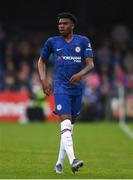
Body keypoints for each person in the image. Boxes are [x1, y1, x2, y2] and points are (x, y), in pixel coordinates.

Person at [38, 12, 94, 174]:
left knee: (69, 128)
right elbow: (41, 61)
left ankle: (58, 164)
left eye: (65, 23)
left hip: (77, 89)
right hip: (61, 87)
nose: (61, 26)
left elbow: (90, 64)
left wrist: (80, 74)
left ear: (72, 26)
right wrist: (43, 79)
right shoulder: (52, 42)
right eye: (60, 24)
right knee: (66, 124)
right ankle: (74, 159)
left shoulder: (83, 41)